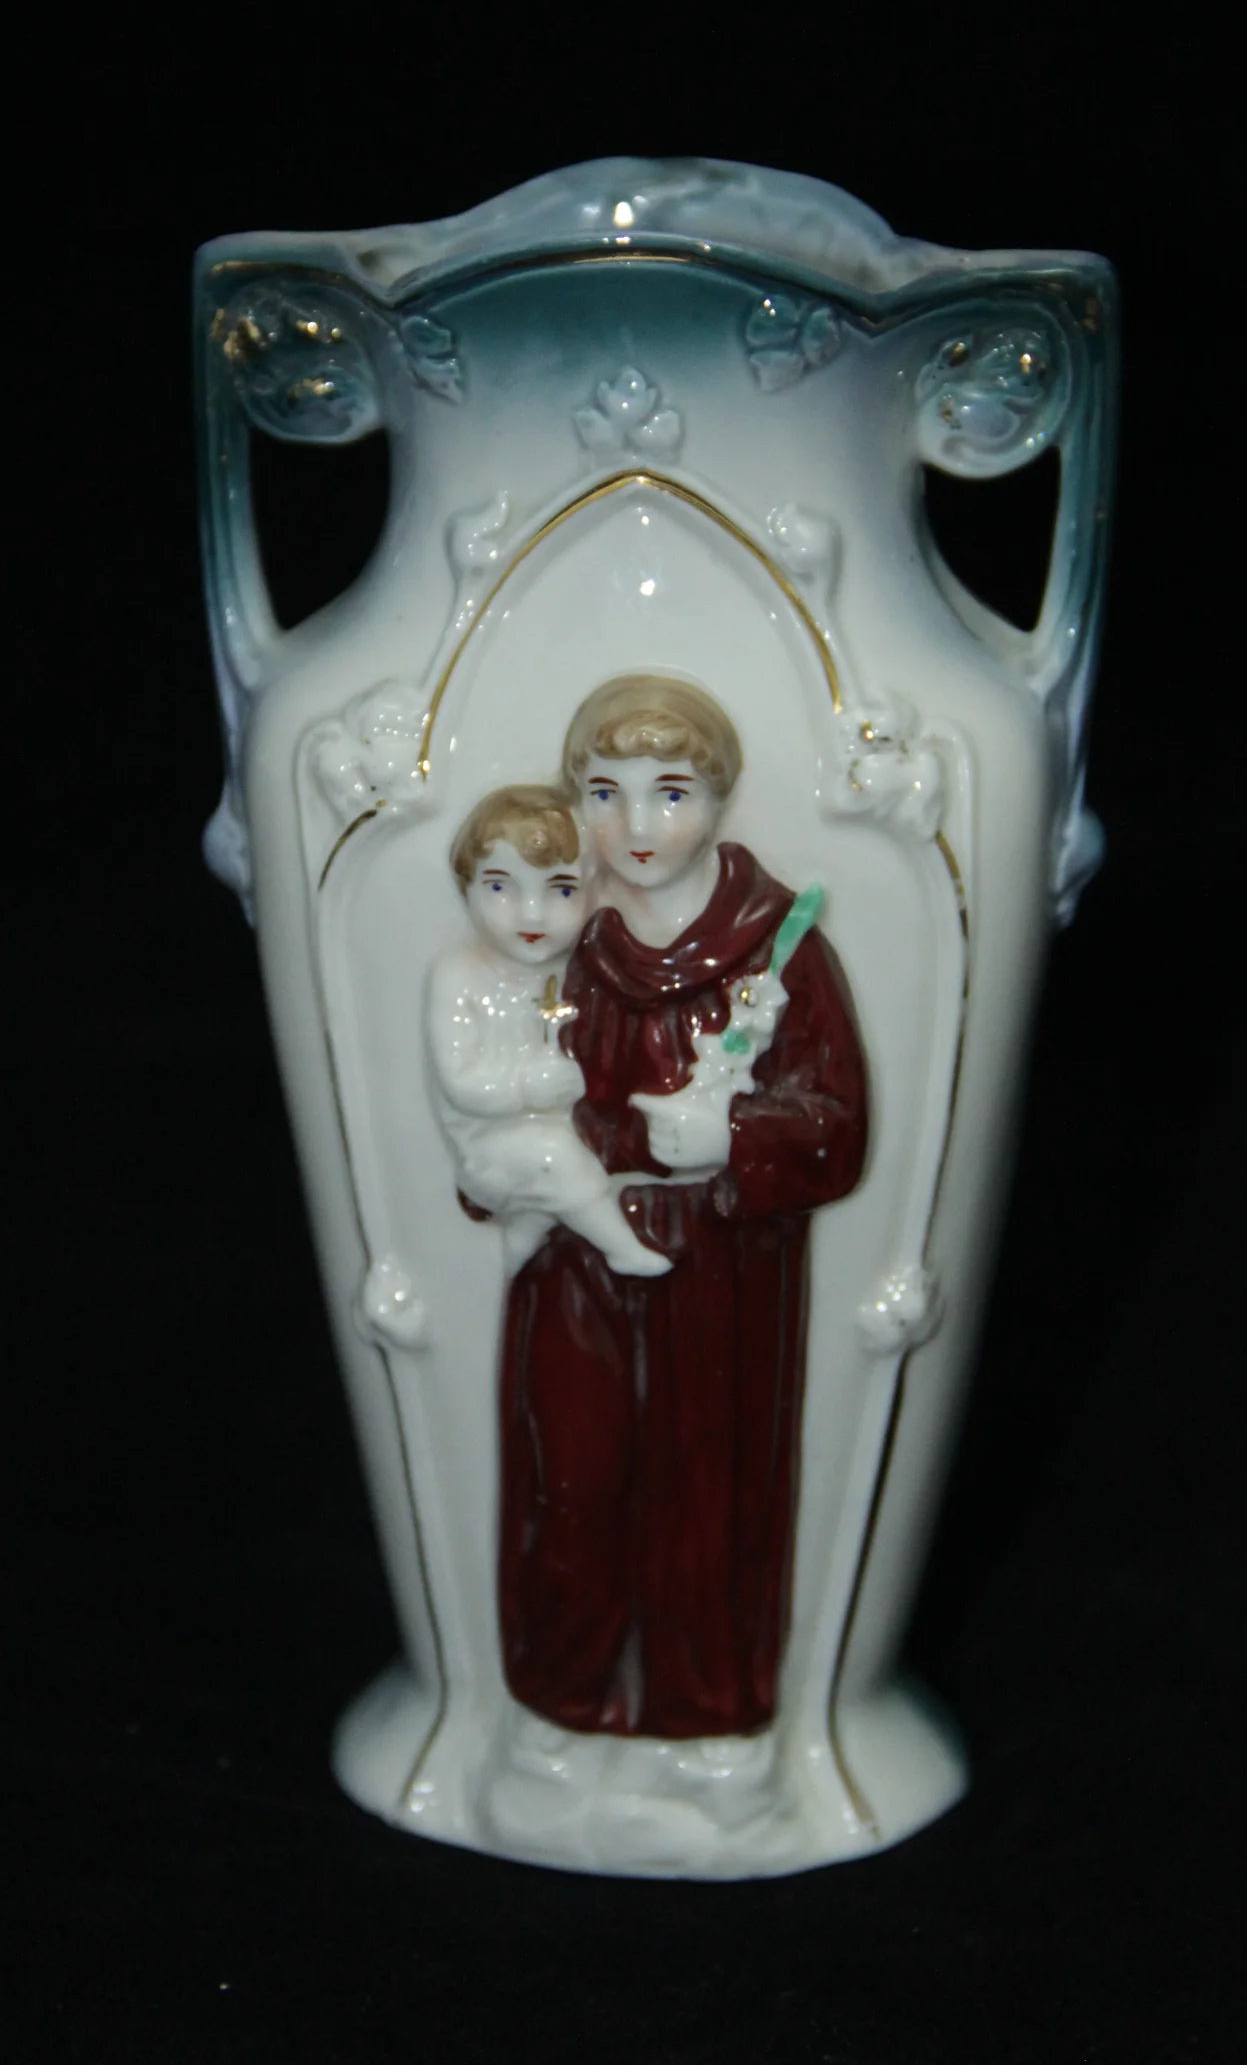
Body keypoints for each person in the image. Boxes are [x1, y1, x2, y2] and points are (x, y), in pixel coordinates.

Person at [499, 675, 869, 1740]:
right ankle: (560, 1700)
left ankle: (705, 1709)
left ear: (718, 798)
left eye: (670, 792)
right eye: (603, 794)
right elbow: (507, 1087)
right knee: (572, 1482)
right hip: (579, 1262)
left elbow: (838, 1126)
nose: (636, 826)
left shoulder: (778, 951)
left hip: (721, 1274)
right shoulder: (562, 940)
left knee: (706, 1491)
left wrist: (734, 1137)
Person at [428, 785, 660, 1281]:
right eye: (500, 888)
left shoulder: (577, 970)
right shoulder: (459, 975)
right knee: (554, 1158)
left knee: (564, 1168)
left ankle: (524, 1239)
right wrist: (528, 1087)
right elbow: (458, 1080)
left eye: (561, 890)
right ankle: (623, 1249)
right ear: (466, 885)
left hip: (568, 1126)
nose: (531, 914)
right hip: (487, 1144)